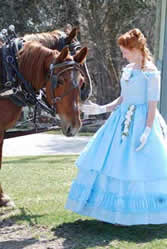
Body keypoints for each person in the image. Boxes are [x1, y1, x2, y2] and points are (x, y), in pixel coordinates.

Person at [65, 28, 167, 226]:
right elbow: (122, 99)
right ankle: (111, 212)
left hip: (141, 122)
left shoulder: (151, 73)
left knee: (136, 167)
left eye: (125, 51)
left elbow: (152, 105)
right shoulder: (127, 70)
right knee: (112, 164)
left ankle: (136, 213)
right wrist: (100, 109)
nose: (123, 55)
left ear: (136, 49)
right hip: (119, 121)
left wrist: (147, 130)